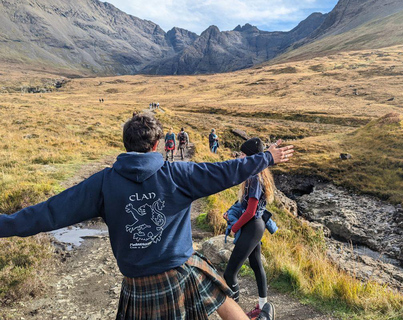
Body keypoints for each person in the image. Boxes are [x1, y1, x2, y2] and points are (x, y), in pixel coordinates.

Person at [0, 113, 293, 320]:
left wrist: (5, 224)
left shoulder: (103, 183)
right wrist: (267, 157)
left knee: (207, 276)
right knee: (211, 283)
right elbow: (227, 171)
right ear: (156, 145)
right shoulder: (178, 173)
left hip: (137, 284)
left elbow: (49, 212)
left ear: (126, 145)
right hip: (180, 271)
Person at [223, 137, 277, 319]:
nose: (240, 157)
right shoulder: (257, 174)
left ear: (252, 157)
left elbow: (250, 212)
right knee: (255, 264)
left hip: (252, 226)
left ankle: (235, 313)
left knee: (229, 273)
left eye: (244, 154)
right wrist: (230, 213)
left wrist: (234, 228)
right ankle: (262, 307)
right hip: (255, 226)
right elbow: (247, 206)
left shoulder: (254, 178)